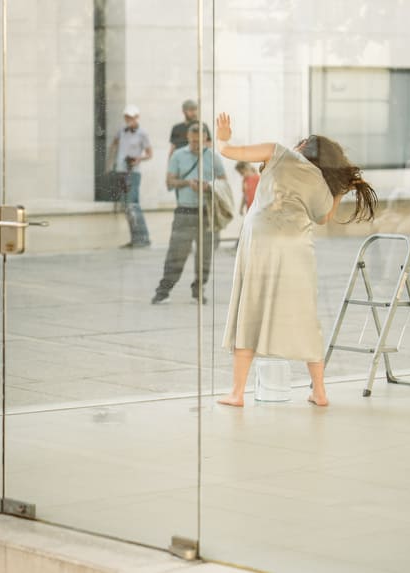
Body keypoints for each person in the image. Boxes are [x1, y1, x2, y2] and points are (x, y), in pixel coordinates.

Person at [213, 113, 377, 407]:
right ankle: (320, 392)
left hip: (261, 239)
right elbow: (323, 218)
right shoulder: (320, 183)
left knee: (250, 306)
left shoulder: (277, 152)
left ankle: (237, 393)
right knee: (304, 314)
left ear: (302, 145)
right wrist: (339, 192)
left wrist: (223, 135)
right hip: (296, 246)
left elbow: (228, 151)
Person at [152, 122, 224, 304]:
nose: (195, 146)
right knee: (176, 253)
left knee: (205, 255)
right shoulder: (177, 155)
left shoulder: (214, 157)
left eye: (199, 142)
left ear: (206, 139)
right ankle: (163, 291)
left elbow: (224, 183)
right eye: (192, 142)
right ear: (188, 139)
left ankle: (199, 290)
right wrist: (187, 183)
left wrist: (208, 186)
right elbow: (169, 182)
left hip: (207, 212)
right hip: (184, 211)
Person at [107, 105, 153, 248]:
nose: (129, 119)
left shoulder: (143, 134)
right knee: (126, 206)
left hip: (133, 173)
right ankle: (135, 239)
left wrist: (138, 159)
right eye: (127, 117)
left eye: (132, 117)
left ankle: (143, 238)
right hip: (120, 171)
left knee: (133, 205)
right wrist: (111, 163)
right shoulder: (121, 131)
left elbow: (150, 154)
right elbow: (113, 145)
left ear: (137, 117)